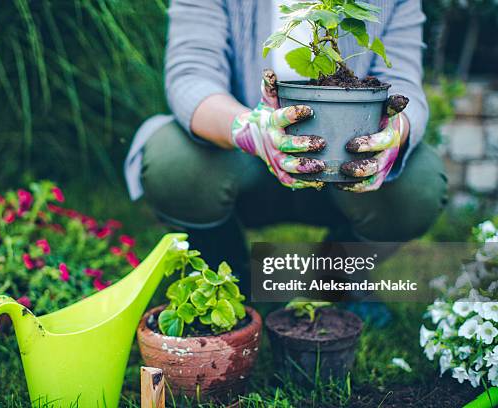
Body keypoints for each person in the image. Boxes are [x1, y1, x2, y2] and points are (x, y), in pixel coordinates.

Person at [124, 0, 448, 280]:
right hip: (238, 161)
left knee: (418, 184)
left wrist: (395, 133)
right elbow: (191, 75)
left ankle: (335, 281)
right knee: (173, 161)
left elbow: (403, 81)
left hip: (346, 164)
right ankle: (227, 274)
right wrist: (249, 130)